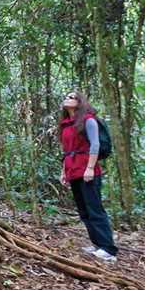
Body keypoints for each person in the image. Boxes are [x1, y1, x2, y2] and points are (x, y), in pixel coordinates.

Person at [59, 91, 118, 263]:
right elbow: (67, 151)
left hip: (87, 170)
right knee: (84, 210)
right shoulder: (66, 124)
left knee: (94, 209)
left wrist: (90, 168)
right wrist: (64, 172)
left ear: (80, 102)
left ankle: (108, 249)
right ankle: (97, 244)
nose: (67, 99)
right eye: (67, 97)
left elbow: (95, 145)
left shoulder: (88, 120)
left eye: (72, 97)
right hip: (73, 170)